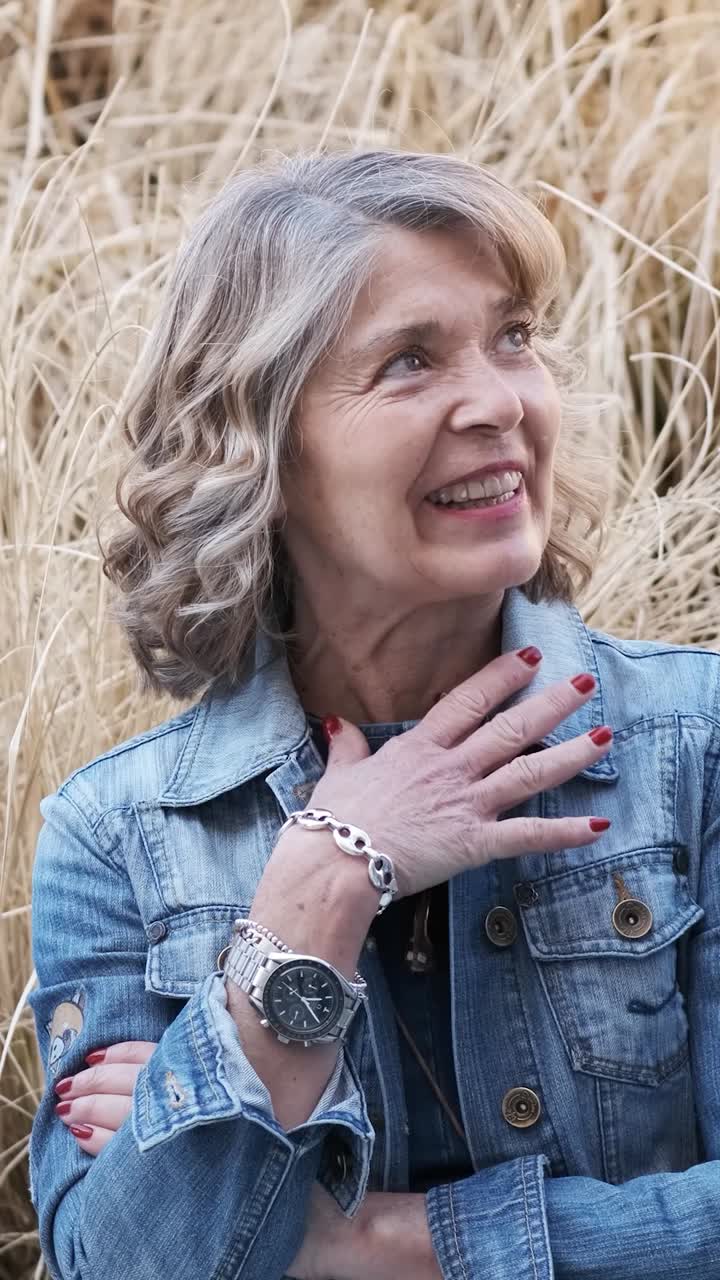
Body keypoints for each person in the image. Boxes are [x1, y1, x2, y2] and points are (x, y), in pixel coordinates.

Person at [27, 149, 720, 1280]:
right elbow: (118, 1262)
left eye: (514, 336)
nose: (500, 402)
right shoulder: (119, 834)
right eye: (410, 361)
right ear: (258, 445)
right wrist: (314, 904)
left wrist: (388, 1242)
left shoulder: (696, 744)